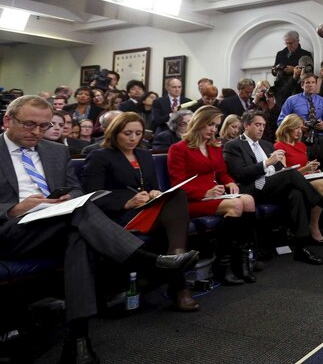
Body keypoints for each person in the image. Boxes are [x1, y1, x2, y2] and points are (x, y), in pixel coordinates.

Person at [0, 96, 198, 363]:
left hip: (58, 223)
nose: (37, 132)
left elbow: (77, 190)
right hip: (11, 229)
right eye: (29, 125)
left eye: (44, 126)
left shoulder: (55, 151)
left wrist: (66, 199)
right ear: (7, 121)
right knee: (80, 216)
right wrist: (13, 209)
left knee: (78, 233)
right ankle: (149, 261)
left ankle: (78, 340)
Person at [81, 112, 199, 311]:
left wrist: (154, 193)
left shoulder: (144, 154)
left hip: (146, 210)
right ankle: (179, 284)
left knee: (177, 196)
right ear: (114, 132)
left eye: (138, 133)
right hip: (118, 216)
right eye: (127, 133)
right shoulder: (100, 156)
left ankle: (175, 256)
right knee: (173, 224)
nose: (133, 138)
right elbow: (91, 195)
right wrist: (126, 202)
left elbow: (151, 186)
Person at [223, 110, 323, 266]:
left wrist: (279, 167)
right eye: (257, 125)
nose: (261, 129)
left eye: (263, 125)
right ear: (246, 125)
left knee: (295, 193)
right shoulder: (233, 145)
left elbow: (278, 170)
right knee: (290, 175)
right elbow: (240, 174)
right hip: (253, 187)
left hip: (272, 186)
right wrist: (266, 163)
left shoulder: (266, 145)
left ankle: (301, 248)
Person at [167, 105, 258, 285]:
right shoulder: (179, 148)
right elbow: (177, 186)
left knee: (248, 200)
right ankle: (222, 264)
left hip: (214, 197)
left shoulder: (215, 146)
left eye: (216, 126)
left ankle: (241, 260)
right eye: (209, 125)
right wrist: (204, 193)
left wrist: (230, 182)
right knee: (236, 205)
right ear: (198, 122)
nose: (213, 130)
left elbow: (222, 173)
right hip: (192, 200)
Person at [275, 114, 323, 243]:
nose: (299, 131)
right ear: (287, 128)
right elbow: (284, 174)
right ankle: (313, 226)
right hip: (295, 181)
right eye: (296, 128)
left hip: (306, 177)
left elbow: (304, 165)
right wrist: (305, 169)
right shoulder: (279, 146)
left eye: (300, 128)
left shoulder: (301, 146)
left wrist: (313, 169)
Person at [277, 75, 323, 147]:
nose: (310, 85)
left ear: (316, 85)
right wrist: (297, 126)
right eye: (307, 83)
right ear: (302, 85)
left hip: (318, 138)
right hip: (297, 138)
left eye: (313, 82)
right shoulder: (291, 100)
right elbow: (281, 121)